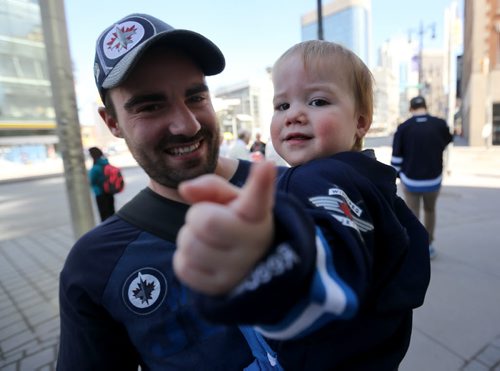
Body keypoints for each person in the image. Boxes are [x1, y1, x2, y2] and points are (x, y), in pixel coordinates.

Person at [174, 40, 431, 370]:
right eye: (281, 106)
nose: (294, 115)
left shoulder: (318, 178)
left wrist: (262, 256)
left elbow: (324, 257)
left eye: (318, 101)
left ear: (360, 123)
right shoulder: (371, 184)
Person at [57, 13, 260, 370]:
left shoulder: (295, 188)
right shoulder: (94, 266)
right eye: (150, 106)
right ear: (112, 123)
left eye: (195, 97)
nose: (188, 124)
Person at [391, 96, 453, 259]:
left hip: (411, 180)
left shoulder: (404, 128)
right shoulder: (439, 124)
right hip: (433, 179)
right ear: (426, 106)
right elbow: (447, 141)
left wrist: (397, 175)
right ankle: (429, 245)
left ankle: (415, 245)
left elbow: (396, 157)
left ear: (411, 109)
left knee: (413, 214)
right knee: (430, 210)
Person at [87, 146, 115, 221]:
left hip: (100, 193)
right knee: (111, 212)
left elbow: (92, 180)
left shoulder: (96, 166)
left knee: (104, 215)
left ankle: (108, 230)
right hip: (109, 191)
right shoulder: (106, 162)